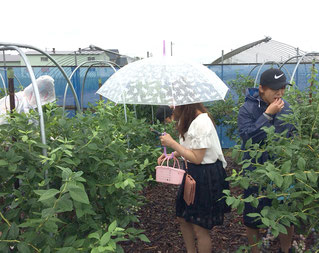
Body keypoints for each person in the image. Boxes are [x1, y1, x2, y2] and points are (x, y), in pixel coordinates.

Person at [157, 103, 229, 253]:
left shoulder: (202, 122)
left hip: (205, 175)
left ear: (184, 103)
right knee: (183, 217)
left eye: (173, 104)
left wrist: (172, 144)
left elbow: (197, 157)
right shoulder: (190, 119)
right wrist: (172, 154)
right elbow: (191, 146)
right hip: (193, 172)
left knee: (199, 227)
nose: (171, 108)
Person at [238, 68, 295, 253]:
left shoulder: (287, 108)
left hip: (281, 171)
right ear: (261, 88)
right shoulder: (247, 109)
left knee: (285, 214)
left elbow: (292, 137)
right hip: (255, 171)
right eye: (275, 89)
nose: (280, 93)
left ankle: (285, 249)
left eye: (282, 89)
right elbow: (247, 138)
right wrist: (267, 115)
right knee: (252, 217)